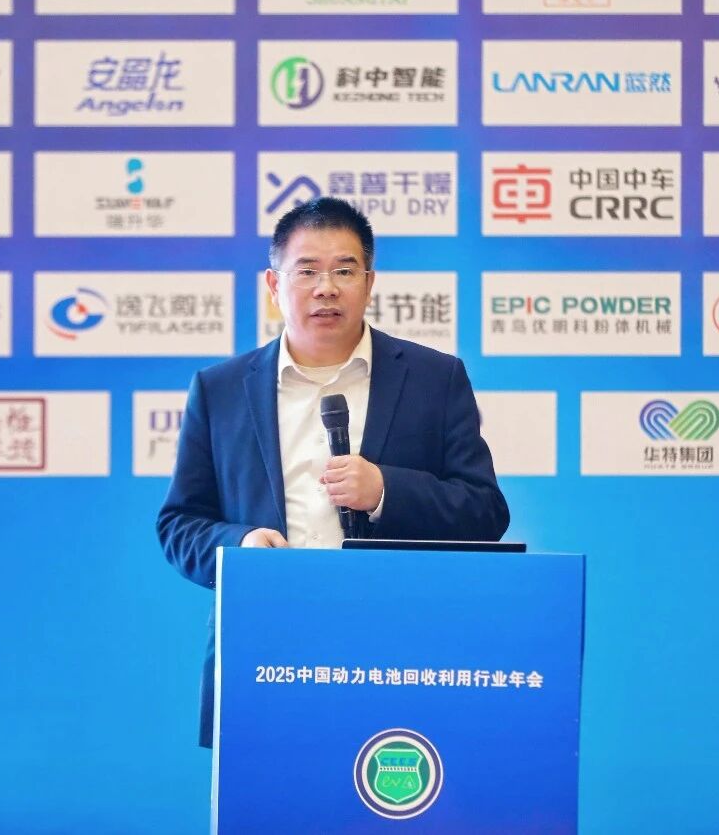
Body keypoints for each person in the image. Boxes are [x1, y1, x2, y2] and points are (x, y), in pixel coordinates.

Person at [156, 197, 510, 747]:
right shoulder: (220, 390)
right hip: (265, 647)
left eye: (344, 271)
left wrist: (387, 491)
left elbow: (485, 512)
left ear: (369, 284)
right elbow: (180, 524)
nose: (326, 288)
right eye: (307, 271)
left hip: (402, 647)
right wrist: (240, 545)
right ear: (274, 286)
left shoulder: (434, 379)